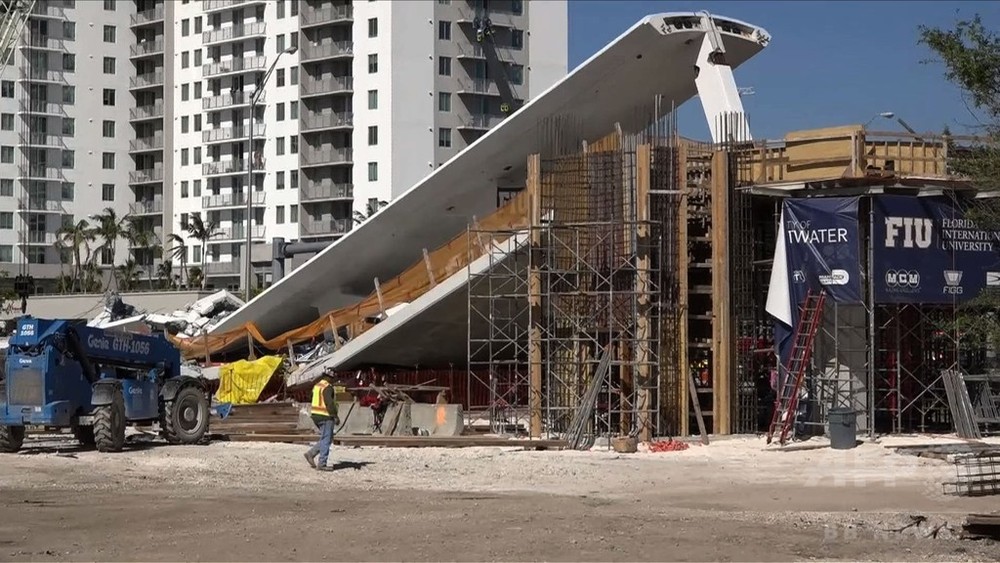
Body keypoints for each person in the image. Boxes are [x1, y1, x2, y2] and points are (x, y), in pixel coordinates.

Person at [304, 373, 339, 471]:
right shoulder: (327, 387)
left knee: (326, 438)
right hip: (325, 415)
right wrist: (335, 416)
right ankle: (322, 463)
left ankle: (310, 454)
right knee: (327, 439)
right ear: (330, 378)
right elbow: (329, 403)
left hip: (315, 414)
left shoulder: (317, 386)